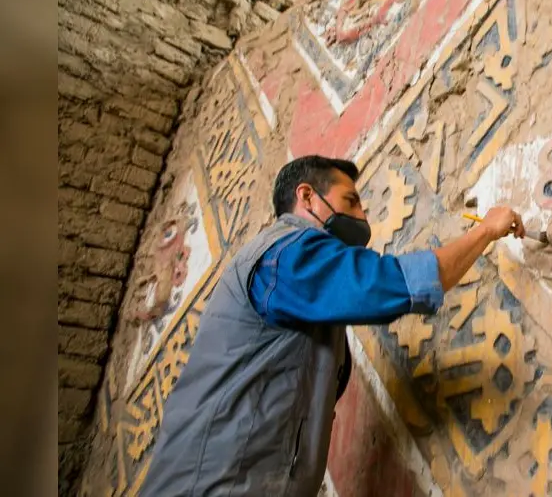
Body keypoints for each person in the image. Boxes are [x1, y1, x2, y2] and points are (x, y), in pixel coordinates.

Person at [140, 155, 525, 496]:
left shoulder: (304, 294)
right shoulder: (283, 254)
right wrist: (486, 230)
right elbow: (387, 285)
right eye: (351, 202)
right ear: (307, 197)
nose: (362, 218)